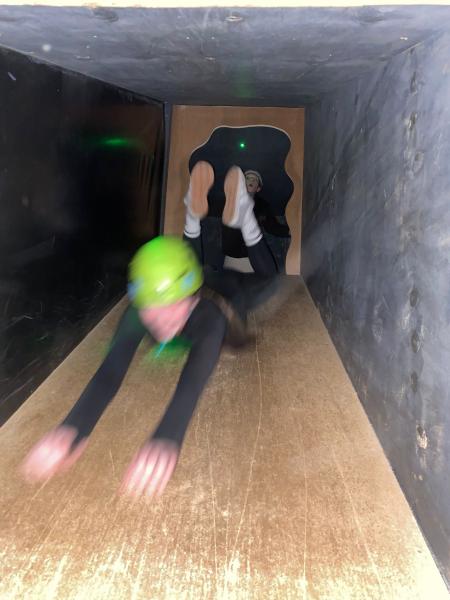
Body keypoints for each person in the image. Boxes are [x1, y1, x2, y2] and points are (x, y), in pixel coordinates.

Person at [21, 162, 279, 499]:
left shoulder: (211, 318)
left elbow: (192, 383)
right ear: (139, 303)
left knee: (271, 280)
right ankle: (196, 216)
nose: (162, 321)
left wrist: (168, 435)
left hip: (229, 289)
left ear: (191, 299)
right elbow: (109, 373)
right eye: (152, 312)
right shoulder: (137, 312)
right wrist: (74, 427)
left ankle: (236, 216)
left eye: (172, 309)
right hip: (197, 271)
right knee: (195, 262)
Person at [221, 169, 291, 273]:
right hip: (232, 258)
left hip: (251, 259)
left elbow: (273, 227)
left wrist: (292, 231)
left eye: (255, 180)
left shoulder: (262, 206)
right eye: (247, 178)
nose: (251, 181)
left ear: (258, 188)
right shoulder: (230, 201)